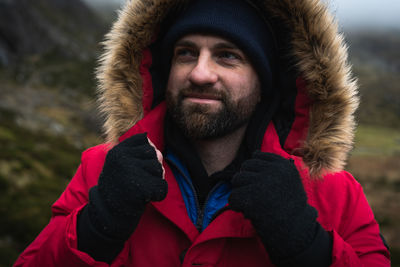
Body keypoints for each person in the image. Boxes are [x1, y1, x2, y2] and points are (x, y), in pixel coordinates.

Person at [14, 0, 390, 266]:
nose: (199, 73)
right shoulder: (102, 170)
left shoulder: (333, 192)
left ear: (265, 83)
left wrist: (307, 246)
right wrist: (96, 225)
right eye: (186, 53)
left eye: (227, 55)